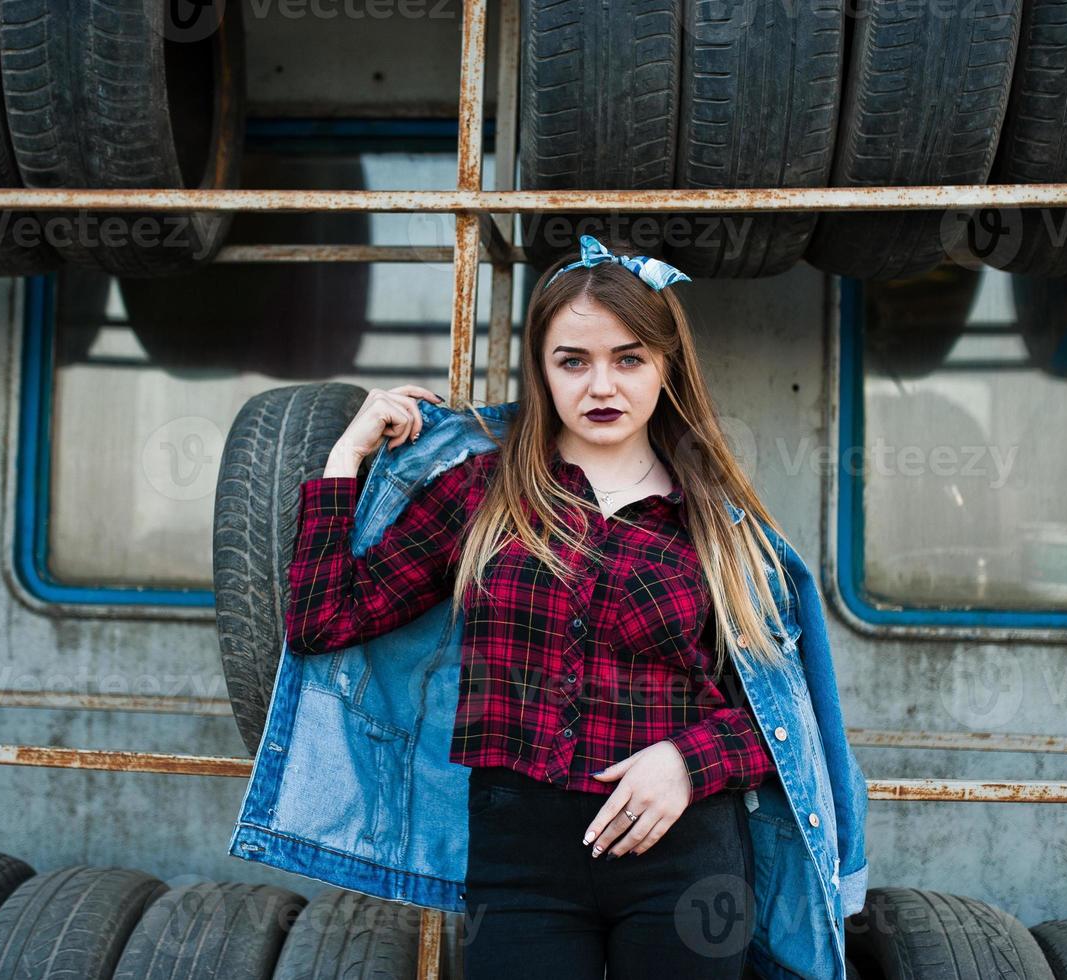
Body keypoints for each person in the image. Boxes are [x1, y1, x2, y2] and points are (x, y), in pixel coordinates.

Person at [283, 234, 808, 979]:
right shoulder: (480, 492)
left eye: (628, 359)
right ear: (541, 369)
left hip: (685, 858)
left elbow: (783, 724)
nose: (602, 386)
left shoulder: (716, 522)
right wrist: (346, 458)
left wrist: (687, 764)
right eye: (574, 361)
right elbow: (322, 622)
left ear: (666, 368)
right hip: (520, 861)